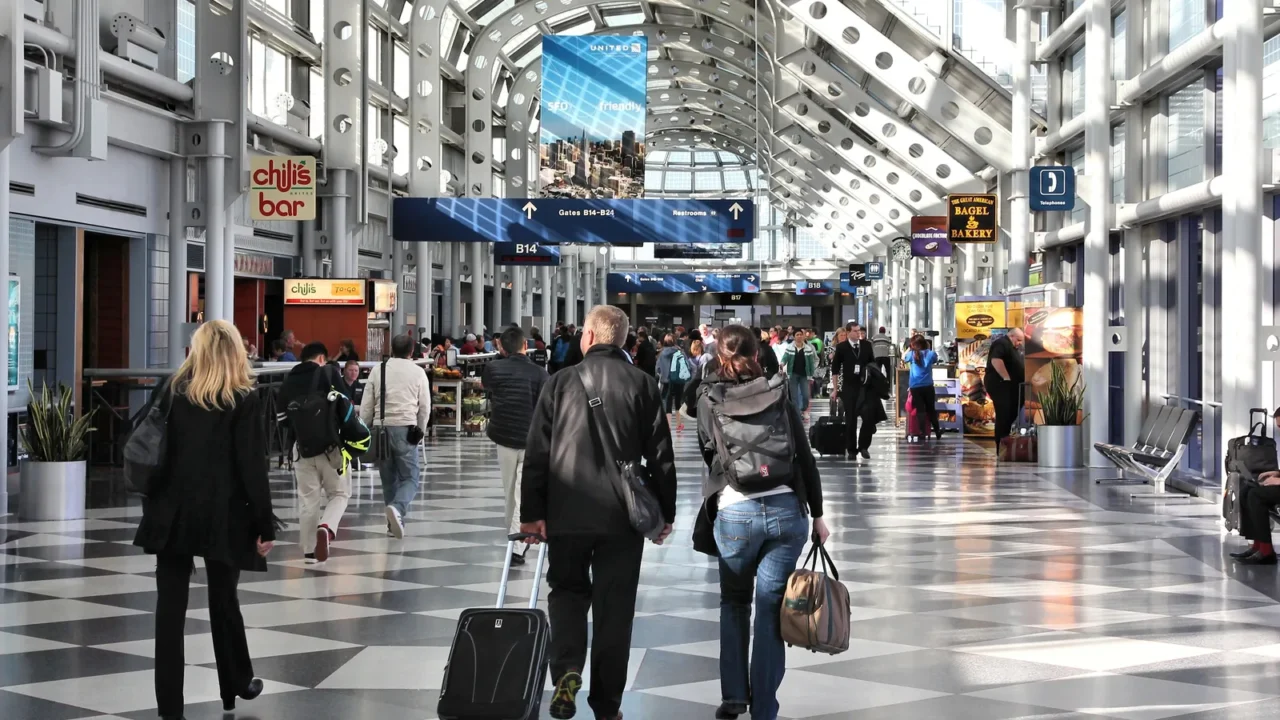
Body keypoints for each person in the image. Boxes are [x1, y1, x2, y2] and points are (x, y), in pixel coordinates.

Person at [520, 305, 677, 720]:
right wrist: (666, 514)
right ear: (625, 340)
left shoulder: (560, 383)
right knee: (615, 607)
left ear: (588, 336)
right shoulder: (644, 385)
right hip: (621, 516)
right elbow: (661, 456)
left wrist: (531, 513)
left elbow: (537, 453)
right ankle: (607, 704)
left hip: (565, 511)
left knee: (567, 592)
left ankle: (568, 670)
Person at [132, 320, 274, 719]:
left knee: (169, 611)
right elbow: (252, 468)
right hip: (223, 514)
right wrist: (265, 525)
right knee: (224, 599)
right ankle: (236, 682)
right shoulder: (242, 398)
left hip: (171, 513)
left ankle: (170, 707)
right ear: (235, 352)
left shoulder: (174, 391)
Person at [693, 325, 829, 720]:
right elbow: (804, 455)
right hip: (787, 513)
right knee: (771, 610)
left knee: (734, 603)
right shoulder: (778, 391)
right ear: (758, 353)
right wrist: (818, 514)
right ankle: (765, 707)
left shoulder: (708, 396)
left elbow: (708, 451)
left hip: (735, 512)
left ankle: (735, 695)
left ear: (719, 356)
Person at [278, 342, 353, 564]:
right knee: (339, 494)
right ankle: (327, 527)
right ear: (321, 358)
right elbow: (346, 407)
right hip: (332, 448)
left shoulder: (289, 379)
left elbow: (282, 420)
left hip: (301, 449)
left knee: (308, 500)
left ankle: (310, 551)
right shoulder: (328, 374)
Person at [481, 326, 549, 566]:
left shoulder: (492, 369)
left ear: (501, 347)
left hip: (505, 438)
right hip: (532, 441)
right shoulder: (540, 374)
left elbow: (488, 388)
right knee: (522, 492)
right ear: (525, 346)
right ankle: (517, 543)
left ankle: (516, 543)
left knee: (510, 492)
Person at [360, 334, 433, 537]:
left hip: (381, 429)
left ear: (391, 349)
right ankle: (398, 509)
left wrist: (365, 428)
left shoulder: (378, 370)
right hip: (405, 428)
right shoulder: (418, 372)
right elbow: (425, 407)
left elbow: (367, 405)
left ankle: (392, 525)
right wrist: (420, 429)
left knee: (388, 478)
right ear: (411, 352)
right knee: (411, 477)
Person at [831, 325, 885, 459]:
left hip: (865, 387)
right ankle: (851, 449)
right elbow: (835, 369)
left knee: (868, 417)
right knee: (851, 420)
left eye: (859, 331)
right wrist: (835, 389)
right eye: (855, 331)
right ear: (848, 332)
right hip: (849, 388)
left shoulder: (866, 345)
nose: (858, 334)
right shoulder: (842, 347)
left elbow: (873, 364)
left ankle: (864, 446)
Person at [985, 328, 1027, 449]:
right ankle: (1001, 444)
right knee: (1004, 413)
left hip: (1011, 387)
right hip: (1001, 385)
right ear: (1011, 336)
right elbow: (996, 360)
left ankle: (1005, 440)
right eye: (1018, 340)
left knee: (1010, 413)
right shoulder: (1002, 343)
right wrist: (1006, 378)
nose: (1019, 343)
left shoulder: (1013, 347)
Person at [905, 335, 942, 441]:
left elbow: (904, 357)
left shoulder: (911, 354)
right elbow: (935, 359)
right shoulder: (930, 354)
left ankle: (922, 432)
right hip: (928, 385)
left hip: (915, 386)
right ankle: (937, 431)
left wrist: (909, 348)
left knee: (920, 409)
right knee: (931, 409)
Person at [658, 334, 693, 432]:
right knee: (678, 401)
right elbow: (687, 366)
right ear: (675, 341)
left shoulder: (662, 353)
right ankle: (679, 425)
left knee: (667, 403)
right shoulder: (680, 352)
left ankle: (668, 425)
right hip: (678, 380)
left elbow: (658, 368)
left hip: (666, 381)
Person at [781, 329, 816, 417]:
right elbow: (785, 358)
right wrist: (782, 363)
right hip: (793, 374)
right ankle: (796, 413)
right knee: (794, 396)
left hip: (804, 375)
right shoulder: (789, 347)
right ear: (794, 336)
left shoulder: (808, 348)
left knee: (805, 395)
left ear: (803, 336)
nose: (799, 336)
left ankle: (804, 409)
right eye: (797, 335)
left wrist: (811, 375)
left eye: (801, 334)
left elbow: (811, 363)